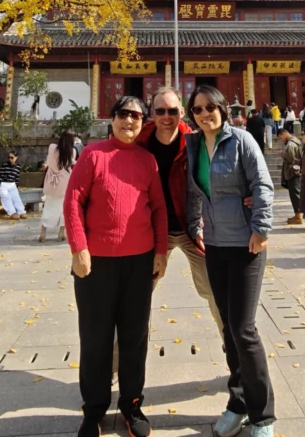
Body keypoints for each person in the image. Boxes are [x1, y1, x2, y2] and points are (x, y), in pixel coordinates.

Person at [64, 95, 167, 437]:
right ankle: (93, 410)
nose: (130, 121)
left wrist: (161, 251)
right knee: (96, 338)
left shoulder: (147, 160)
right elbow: (73, 201)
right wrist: (79, 248)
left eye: (137, 116)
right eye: (123, 114)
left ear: (143, 123)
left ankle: (132, 405)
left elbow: (158, 208)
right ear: (112, 119)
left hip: (139, 262)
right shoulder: (94, 154)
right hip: (96, 264)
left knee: (135, 337)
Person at [186, 85, 275, 437]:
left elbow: (262, 185)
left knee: (243, 329)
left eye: (210, 107)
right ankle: (237, 403)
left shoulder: (241, 141)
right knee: (228, 327)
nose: (204, 114)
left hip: (246, 244)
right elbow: (194, 191)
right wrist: (195, 226)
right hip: (214, 244)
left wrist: (261, 229)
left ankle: (262, 416)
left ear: (223, 108)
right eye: (197, 109)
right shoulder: (194, 145)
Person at [137, 86, 224, 334]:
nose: (166, 117)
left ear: (182, 112)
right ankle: (120, 357)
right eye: (160, 111)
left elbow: (221, 175)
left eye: (172, 111)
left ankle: (235, 352)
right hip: (153, 231)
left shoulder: (196, 143)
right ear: (152, 112)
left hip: (191, 229)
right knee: (138, 294)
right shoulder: (140, 143)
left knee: (216, 290)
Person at [39, 132, 75, 242]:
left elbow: (49, 161)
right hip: (65, 181)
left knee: (49, 206)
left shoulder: (52, 147)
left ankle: (43, 232)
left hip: (51, 181)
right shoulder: (72, 151)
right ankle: (61, 233)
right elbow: (71, 165)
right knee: (64, 209)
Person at [0, 150, 28, 220]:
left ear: (16, 157)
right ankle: (12, 213)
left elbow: (17, 178)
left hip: (12, 184)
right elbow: (0, 176)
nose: (10, 159)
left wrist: (17, 187)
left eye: (12, 157)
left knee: (16, 198)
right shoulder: (5, 165)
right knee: (6, 198)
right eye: (9, 157)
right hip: (3, 184)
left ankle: (21, 212)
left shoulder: (18, 166)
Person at [279, 130, 303, 225]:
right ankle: (297, 214)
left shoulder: (291, 144)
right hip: (295, 170)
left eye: (281, 137)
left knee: (295, 193)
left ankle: (298, 216)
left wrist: (282, 154)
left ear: (284, 134)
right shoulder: (296, 141)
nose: (281, 139)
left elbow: (290, 158)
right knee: (295, 193)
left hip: (292, 171)